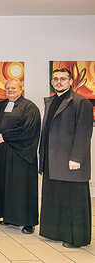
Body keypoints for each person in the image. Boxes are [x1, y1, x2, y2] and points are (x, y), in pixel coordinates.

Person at [39, 68, 93, 248]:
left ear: (71, 81)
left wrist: (76, 157)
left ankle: (76, 238)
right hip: (52, 160)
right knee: (55, 199)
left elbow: (84, 132)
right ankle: (56, 233)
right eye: (55, 79)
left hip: (71, 162)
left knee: (74, 201)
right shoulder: (51, 101)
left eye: (63, 79)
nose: (58, 82)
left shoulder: (81, 102)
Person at [0, 78, 41, 234]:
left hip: (21, 155)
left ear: (21, 89)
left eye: (13, 88)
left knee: (22, 188)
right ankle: (8, 217)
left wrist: (4, 137)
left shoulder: (29, 108)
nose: (10, 90)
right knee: (5, 186)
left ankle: (28, 222)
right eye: (7, 88)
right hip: (2, 155)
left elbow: (28, 130)